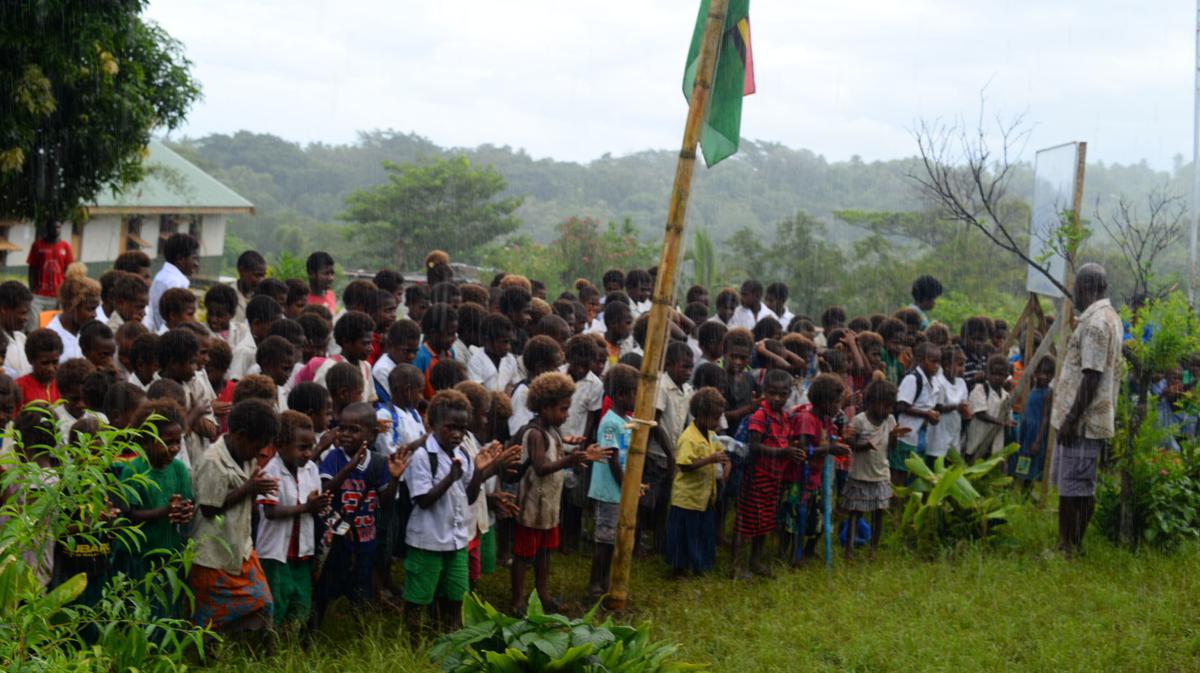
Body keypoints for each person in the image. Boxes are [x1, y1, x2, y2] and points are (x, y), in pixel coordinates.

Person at [403, 390, 516, 638]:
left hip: (456, 540)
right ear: (432, 425)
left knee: (456, 594)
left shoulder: (462, 454)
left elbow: (470, 495)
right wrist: (449, 478)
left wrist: (477, 471)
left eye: (462, 429)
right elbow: (422, 500)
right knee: (419, 596)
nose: (456, 434)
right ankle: (413, 641)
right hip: (428, 541)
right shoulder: (423, 457)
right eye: (450, 428)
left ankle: (450, 637)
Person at [510, 371, 605, 612]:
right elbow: (541, 467)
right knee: (524, 554)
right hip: (533, 503)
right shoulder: (535, 433)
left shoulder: (552, 431)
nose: (566, 414)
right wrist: (570, 461)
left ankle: (543, 594)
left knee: (544, 552)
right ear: (545, 407)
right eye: (563, 409)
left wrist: (576, 457)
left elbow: (558, 457)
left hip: (549, 505)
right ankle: (518, 599)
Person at [189, 399, 279, 632]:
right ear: (240, 436)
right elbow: (209, 508)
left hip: (241, 548)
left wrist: (255, 490)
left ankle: (258, 658)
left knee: (263, 603)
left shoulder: (247, 456)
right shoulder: (213, 461)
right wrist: (249, 489)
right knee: (208, 622)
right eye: (258, 444)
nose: (260, 451)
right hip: (212, 554)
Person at [1051, 263, 1123, 557]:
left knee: (1074, 489)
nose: (1074, 295)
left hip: (1083, 421)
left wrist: (1071, 418)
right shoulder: (1109, 317)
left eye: (1076, 288)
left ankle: (1069, 547)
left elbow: (1091, 375)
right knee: (1079, 486)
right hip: (1087, 419)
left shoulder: (1096, 324)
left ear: (1085, 287)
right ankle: (1069, 544)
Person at [316, 402, 407, 621]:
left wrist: (394, 478)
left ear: (372, 434)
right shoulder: (334, 458)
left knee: (361, 590)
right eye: (343, 428)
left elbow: (385, 502)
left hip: (365, 539)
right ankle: (313, 630)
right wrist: (350, 466)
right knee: (325, 588)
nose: (346, 434)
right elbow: (324, 490)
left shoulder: (378, 463)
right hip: (336, 538)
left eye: (354, 430)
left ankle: (360, 632)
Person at [256, 411, 332, 629]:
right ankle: (268, 652)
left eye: (310, 447)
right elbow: (270, 511)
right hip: (277, 553)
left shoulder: (310, 470)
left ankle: (289, 651)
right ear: (280, 444)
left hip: (302, 552)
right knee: (276, 606)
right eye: (302, 448)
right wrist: (306, 507)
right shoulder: (271, 471)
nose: (308, 454)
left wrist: (318, 504)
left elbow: (312, 504)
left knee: (300, 605)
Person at [732, 369, 801, 578]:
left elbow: (784, 441)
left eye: (782, 394)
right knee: (746, 521)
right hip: (756, 476)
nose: (777, 398)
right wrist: (783, 452)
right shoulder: (761, 416)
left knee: (765, 521)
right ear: (764, 392)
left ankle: (755, 560)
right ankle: (736, 565)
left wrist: (792, 449)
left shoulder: (785, 417)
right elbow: (754, 447)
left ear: (789, 394)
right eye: (772, 393)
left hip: (774, 478)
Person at [119, 400, 194, 581]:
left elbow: (187, 503)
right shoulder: (134, 470)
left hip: (169, 554)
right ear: (146, 442)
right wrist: (165, 511)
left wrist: (184, 512)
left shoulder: (179, 469)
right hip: (140, 555)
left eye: (178, 442)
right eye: (168, 442)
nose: (175, 448)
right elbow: (129, 515)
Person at [585, 363, 638, 597]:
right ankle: (595, 583)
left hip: (620, 489)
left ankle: (606, 579)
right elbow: (613, 459)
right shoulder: (609, 423)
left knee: (613, 538)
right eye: (635, 393)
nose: (638, 398)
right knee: (604, 540)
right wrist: (627, 487)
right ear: (620, 395)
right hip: (610, 490)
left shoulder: (626, 419)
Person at [665, 387, 729, 576]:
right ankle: (679, 568)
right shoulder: (688, 438)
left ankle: (700, 565)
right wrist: (710, 460)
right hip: (687, 498)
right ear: (702, 415)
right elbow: (684, 465)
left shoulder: (710, 435)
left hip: (703, 498)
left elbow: (722, 452)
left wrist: (727, 465)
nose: (718, 423)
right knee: (683, 535)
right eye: (715, 418)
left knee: (701, 533)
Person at [845, 379, 907, 561]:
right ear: (871, 402)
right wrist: (864, 447)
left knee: (878, 513)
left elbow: (891, 447)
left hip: (881, 473)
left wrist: (894, 436)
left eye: (890, 406)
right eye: (884, 406)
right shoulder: (860, 421)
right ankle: (849, 551)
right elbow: (850, 444)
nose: (887, 410)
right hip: (860, 474)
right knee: (855, 512)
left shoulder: (890, 420)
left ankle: (874, 548)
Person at [893, 342, 940, 484]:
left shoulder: (933, 382)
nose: (936, 366)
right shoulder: (912, 379)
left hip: (919, 437)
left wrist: (932, 415)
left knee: (913, 476)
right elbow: (901, 405)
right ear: (920, 360)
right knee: (899, 474)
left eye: (938, 362)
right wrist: (926, 414)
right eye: (932, 361)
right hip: (904, 435)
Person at [1012, 355, 1056, 485]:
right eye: (1042, 372)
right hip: (1027, 429)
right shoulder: (1033, 388)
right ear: (1035, 372)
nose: (1045, 377)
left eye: (1049, 374)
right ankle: (1020, 481)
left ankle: (1027, 485)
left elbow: (1045, 417)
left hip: (1036, 432)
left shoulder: (1048, 393)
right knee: (1023, 456)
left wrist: (1038, 440)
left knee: (1032, 460)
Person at [26, 219, 74, 332]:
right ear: (47, 229)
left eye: (58, 227)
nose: (56, 230)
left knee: (55, 326)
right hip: (39, 294)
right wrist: (31, 287)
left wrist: (67, 291)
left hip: (58, 294)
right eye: (53, 227)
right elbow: (32, 268)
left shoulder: (65, 246)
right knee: (33, 326)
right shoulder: (37, 245)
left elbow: (69, 271)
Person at [966, 354, 1014, 462]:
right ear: (987, 374)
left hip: (995, 445)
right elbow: (980, 413)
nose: (997, 377)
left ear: (1006, 376)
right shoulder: (980, 390)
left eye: (1001, 374)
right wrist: (1000, 422)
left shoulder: (1006, 396)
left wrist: (1008, 422)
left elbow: (1008, 418)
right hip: (977, 442)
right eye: (994, 374)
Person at [147, 233, 199, 332]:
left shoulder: (162, 276)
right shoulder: (175, 282)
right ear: (180, 259)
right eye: (194, 258)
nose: (196, 264)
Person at [47, 265, 100, 362]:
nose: (95, 315)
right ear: (70, 307)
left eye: (95, 309)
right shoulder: (50, 338)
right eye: (90, 309)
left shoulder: (90, 333)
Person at [17, 328, 62, 404]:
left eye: (55, 362)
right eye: (44, 363)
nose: (51, 368)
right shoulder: (19, 388)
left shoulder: (63, 386)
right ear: (30, 359)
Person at [234, 250, 267, 324]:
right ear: (242, 271)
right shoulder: (226, 295)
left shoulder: (263, 298)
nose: (261, 280)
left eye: (263, 275)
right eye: (257, 275)